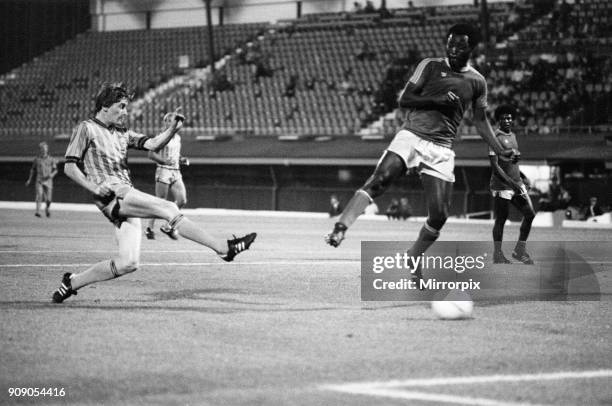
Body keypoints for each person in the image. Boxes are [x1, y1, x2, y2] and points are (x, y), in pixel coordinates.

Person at [325, 24, 518, 280]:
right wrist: (436, 101)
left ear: (472, 48)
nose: (453, 48)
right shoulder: (429, 66)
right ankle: (340, 228)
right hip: (412, 136)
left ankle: (413, 255)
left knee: (440, 215)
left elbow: (481, 121)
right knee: (380, 179)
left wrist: (499, 151)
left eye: (460, 45)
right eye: (450, 43)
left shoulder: (477, 81)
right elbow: (405, 99)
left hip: (441, 148)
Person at [52, 82, 256, 303]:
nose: (125, 112)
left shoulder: (122, 133)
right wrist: (94, 187)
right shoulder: (86, 128)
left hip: (122, 195)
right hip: (112, 193)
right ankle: (223, 249)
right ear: (104, 106)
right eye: (121, 106)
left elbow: (151, 144)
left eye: (125, 107)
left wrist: (172, 130)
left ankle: (71, 282)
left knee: (128, 263)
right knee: (168, 207)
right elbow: (69, 167)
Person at [489, 105, 536, 264]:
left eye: (509, 118)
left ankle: (519, 250)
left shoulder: (514, 136)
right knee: (501, 219)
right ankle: (497, 254)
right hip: (502, 185)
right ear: (498, 120)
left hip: (516, 182)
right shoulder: (494, 138)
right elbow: (495, 166)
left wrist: (522, 177)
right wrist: (511, 184)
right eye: (503, 118)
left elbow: (511, 162)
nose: (507, 120)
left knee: (530, 214)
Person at [145, 112, 190, 240]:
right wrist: (164, 161)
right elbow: (151, 155)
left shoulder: (178, 138)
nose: (175, 123)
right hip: (163, 170)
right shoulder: (162, 137)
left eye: (175, 121)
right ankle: (149, 228)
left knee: (182, 200)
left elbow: (175, 154)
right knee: (160, 202)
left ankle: (167, 226)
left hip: (175, 171)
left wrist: (181, 159)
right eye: (170, 120)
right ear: (166, 122)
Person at [25, 141, 57, 217]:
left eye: (45, 148)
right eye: (42, 148)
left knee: (49, 200)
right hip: (39, 180)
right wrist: (29, 179)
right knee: (40, 195)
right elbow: (32, 170)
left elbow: (55, 170)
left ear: (47, 149)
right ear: (40, 150)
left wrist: (52, 175)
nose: (44, 150)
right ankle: (38, 212)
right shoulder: (37, 159)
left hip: (48, 181)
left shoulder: (51, 159)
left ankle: (47, 208)